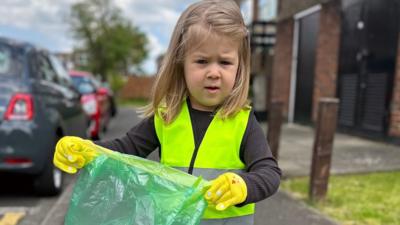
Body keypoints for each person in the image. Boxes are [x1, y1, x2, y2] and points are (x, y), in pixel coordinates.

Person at [53, 0, 281, 224]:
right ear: (180, 64)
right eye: (202, 61)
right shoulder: (167, 116)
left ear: (240, 67)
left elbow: (269, 173)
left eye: (225, 62)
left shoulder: (242, 122)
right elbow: (126, 148)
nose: (214, 72)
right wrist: (88, 150)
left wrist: (244, 186)